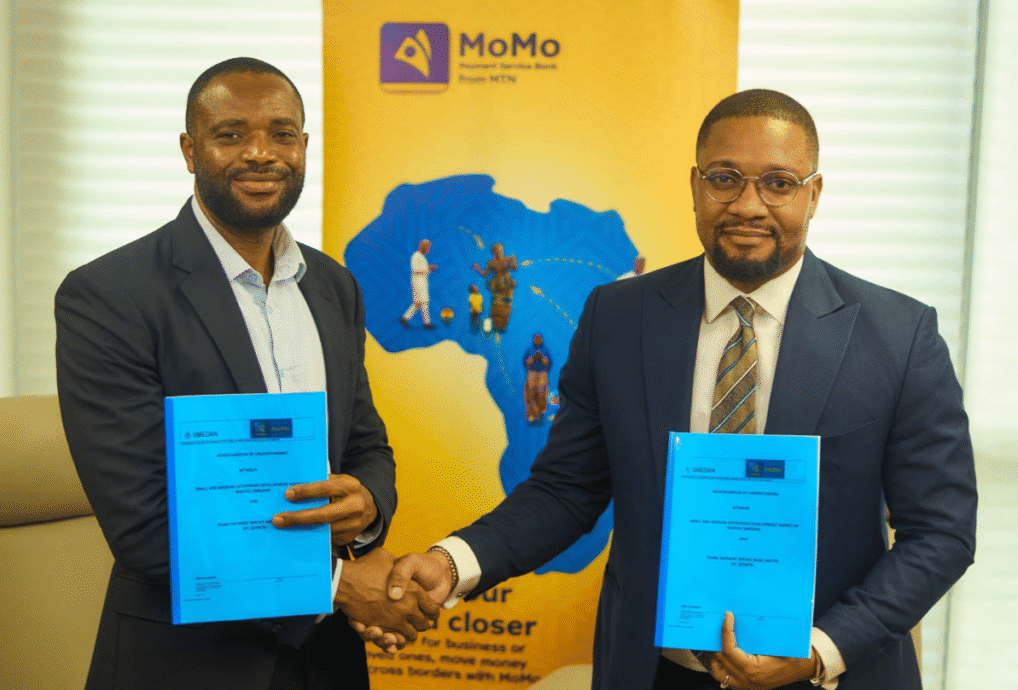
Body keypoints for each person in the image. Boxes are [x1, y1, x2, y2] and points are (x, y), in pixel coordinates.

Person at [372, 89, 977, 690]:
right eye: (724, 179)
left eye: (779, 183)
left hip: (826, 673)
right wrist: (453, 562)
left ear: (814, 194)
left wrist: (820, 650)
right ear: (694, 185)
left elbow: (941, 531)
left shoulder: (899, 336)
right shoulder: (618, 317)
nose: (748, 205)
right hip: (656, 673)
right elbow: (567, 489)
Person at [55, 57, 436, 690]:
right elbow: (144, 523)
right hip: (189, 661)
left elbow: (366, 444)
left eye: (281, 134)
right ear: (189, 150)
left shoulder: (334, 287)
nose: (261, 153)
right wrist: (341, 585)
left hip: (329, 662)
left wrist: (368, 506)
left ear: (303, 146)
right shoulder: (109, 296)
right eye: (231, 135)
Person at [473, 242, 518, 331]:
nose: (498, 252)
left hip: (506, 285)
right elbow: (485, 274)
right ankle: (495, 326)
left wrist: (513, 262)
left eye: (499, 250)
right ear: (493, 252)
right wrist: (478, 269)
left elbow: (514, 268)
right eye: (496, 251)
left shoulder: (507, 259)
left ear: (502, 250)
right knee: (496, 305)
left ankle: (503, 326)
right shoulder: (491, 263)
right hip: (497, 287)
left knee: (506, 305)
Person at [400, 238, 438, 329]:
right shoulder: (416, 256)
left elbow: (423, 270)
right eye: (428, 247)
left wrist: (429, 269)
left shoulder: (422, 257)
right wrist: (428, 268)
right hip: (418, 280)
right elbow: (415, 269)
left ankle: (404, 318)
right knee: (424, 301)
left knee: (417, 303)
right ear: (423, 247)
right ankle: (427, 323)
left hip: (422, 280)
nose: (428, 250)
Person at [523, 333, 551, 422]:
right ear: (534, 339)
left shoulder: (545, 350)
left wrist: (541, 357)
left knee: (541, 393)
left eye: (539, 338)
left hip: (542, 373)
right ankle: (531, 414)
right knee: (530, 393)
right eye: (536, 338)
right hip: (532, 373)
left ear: (541, 339)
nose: (538, 340)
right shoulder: (529, 350)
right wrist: (533, 357)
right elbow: (525, 363)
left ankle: (540, 412)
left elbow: (548, 363)